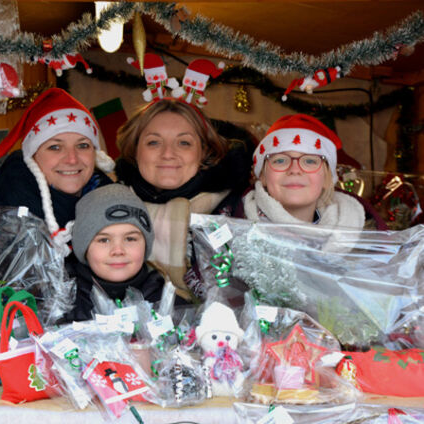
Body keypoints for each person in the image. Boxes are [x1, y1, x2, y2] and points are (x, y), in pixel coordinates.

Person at [115, 98, 252, 300]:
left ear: (205, 151)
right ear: (134, 150)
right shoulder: (110, 207)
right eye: (154, 142)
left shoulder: (240, 210)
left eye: (184, 143)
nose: (168, 154)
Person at [0, 88, 114, 247]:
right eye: (55, 147)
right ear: (33, 156)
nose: (72, 159)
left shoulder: (114, 203)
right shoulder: (0, 215)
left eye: (82, 145)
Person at [236, 113, 387, 230]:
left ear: (328, 178)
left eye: (309, 161)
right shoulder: (228, 233)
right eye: (280, 160)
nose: (294, 170)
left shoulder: (367, 242)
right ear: (262, 175)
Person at [64, 184, 170, 322]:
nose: (118, 251)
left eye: (130, 239)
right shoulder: (60, 305)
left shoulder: (169, 302)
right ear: (83, 247)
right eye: (104, 240)